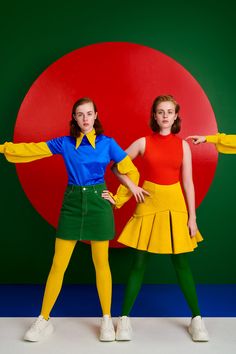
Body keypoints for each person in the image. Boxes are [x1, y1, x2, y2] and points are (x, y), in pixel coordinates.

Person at [0, 97, 139, 342]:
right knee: (58, 264)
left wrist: (118, 198)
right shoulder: (64, 143)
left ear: (96, 115)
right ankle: (43, 319)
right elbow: (34, 149)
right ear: (74, 118)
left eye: (89, 113)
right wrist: (4, 148)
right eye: (80, 114)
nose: (85, 118)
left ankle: (106, 319)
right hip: (72, 204)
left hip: (99, 203)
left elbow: (131, 171)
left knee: (101, 264)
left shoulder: (108, 144)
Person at [107, 95, 209, 342]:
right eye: (160, 112)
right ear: (154, 116)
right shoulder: (142, 142)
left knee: (181, 263)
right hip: (148, 202)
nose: (165, 116)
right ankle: (124, 320)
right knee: (139, 263)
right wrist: (132, 187)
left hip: (176, 205)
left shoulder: (183, 146)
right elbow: (115, 167)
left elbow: (188, 182)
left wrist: (192, 217)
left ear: (176, 116)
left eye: (169, 112)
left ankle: (197, 320)